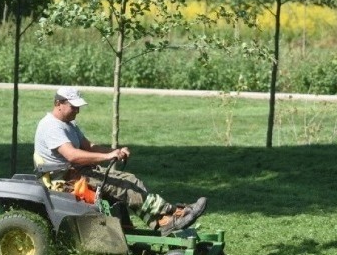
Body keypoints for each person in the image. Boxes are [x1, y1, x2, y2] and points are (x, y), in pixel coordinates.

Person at [34, 87, 207, 235]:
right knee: (125, 184)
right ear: (58, 104)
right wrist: (107, 157)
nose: (77, 111)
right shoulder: (51, 126)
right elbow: (72, 155)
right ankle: (172, 214)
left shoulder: (69, 124)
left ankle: (163, 221)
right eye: (74, 107)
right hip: (68, 179)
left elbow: (89, 146)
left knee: (129, 181)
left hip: (79, 172)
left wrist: (113, 151)